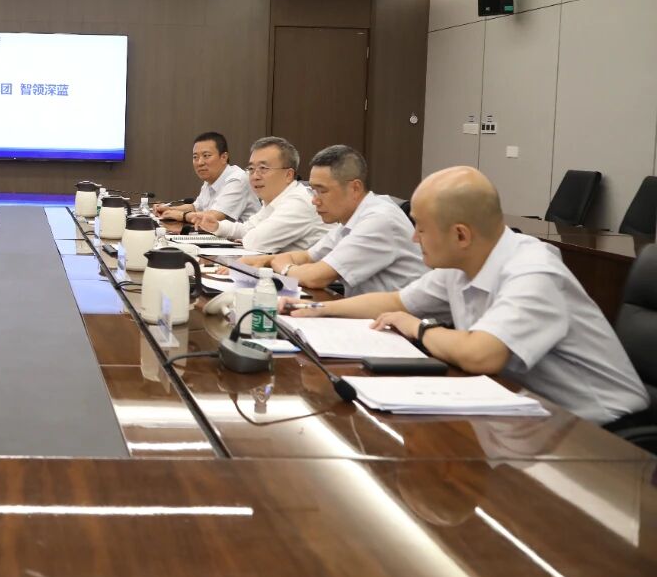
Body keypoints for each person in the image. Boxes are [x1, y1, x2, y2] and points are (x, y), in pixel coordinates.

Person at [288, 167, 648, 426]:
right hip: (526, 410)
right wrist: (317, 309)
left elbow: (481, 354)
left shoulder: (534, 272)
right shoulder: (461, 263)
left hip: (604, 427)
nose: (414, 238)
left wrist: (418, 328)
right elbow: (395, 302)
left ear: (460, 235)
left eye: (421, 228)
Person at [242, 144, 424, 294]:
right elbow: (308, 256)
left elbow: (316, 278)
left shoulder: (379, 220)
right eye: (313, 190)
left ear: (354, 188)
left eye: (322, 191)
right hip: (371, 316)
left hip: (403, 324)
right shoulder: (350, 219)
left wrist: (285, 268)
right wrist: (261, 261)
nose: (314, 200)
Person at [189, 136, 329, 253]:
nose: (255, 176)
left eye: (263, 168)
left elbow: (256, 241)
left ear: (288, 175)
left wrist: (247, 238)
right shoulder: (273, 199)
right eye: (251, 168)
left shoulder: (298, 202)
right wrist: (216, 226)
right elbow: (248, 228)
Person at [153, 131, 259, 224]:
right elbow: (196, 207)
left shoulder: (237, 180)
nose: (200, 162)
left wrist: (181, 215)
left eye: (206, 156)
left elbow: (213, 217)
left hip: (243, 240)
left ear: (224, 157)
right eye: (195, 157)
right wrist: (169, 209)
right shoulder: (210, 179)